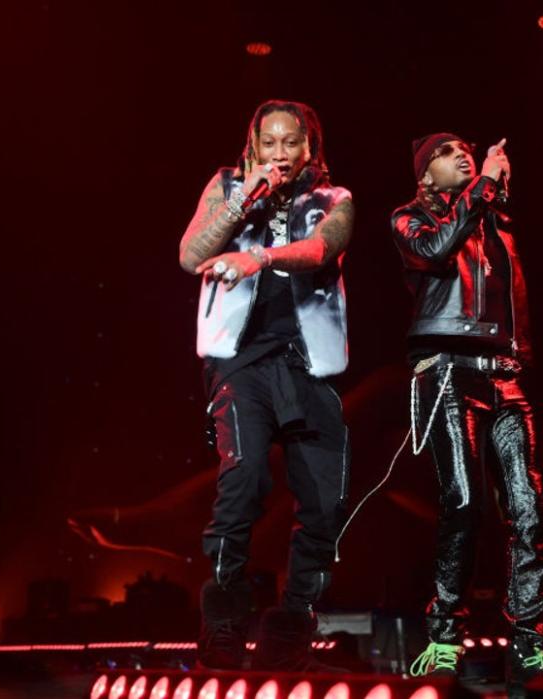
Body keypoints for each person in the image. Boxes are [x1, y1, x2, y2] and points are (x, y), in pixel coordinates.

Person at [178, 99, 353, 671]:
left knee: (324, 502)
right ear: (252, 148)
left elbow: (322, 248)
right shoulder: (227, 185)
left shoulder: (334, 199)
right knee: (245, 476)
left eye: (291, 142)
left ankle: (292, 625)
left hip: (308, 362)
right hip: (241, 359)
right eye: (268, 142)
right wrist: (240, 202)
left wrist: (260, 258)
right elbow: (191, 256)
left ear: (309, 149)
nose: (279, 153)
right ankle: (225, 622)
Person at [390, 133, 543, 686]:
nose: (463, 154)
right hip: (446, 370)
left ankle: (530, 638)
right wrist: (483, 183)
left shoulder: (496, 222)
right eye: (447, 151)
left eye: (468, 148)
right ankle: (442, 638)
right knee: (463, 502)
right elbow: (437, 251)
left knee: (529, 507)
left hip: (504, 377)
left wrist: (521, 356)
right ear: (425, 177)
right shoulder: (407, 219)